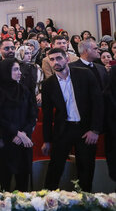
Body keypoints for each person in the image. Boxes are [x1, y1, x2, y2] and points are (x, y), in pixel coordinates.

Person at [41, 47, 103, 192]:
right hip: (63, 129)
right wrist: (47, 140)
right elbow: (47, 114)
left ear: (67, 59)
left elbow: (98, 103)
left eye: (58, 58)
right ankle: (47, 200)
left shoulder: (85, 74)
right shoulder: (48, 84)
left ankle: (85, 201)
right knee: (55, 168)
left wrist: (95, 130)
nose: (55, 62)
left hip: (85, 128)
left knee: (86, 168)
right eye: (52, 59)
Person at [0, 58, 36, 191]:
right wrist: (17, 133)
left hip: (24, 141)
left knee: (23, 181)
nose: (19, 72)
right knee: (5, 181)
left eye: (19, 69)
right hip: (5, 140)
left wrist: (24, 135)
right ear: (5, 72)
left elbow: (32, 115)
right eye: (15, 69)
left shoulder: (25, 90)